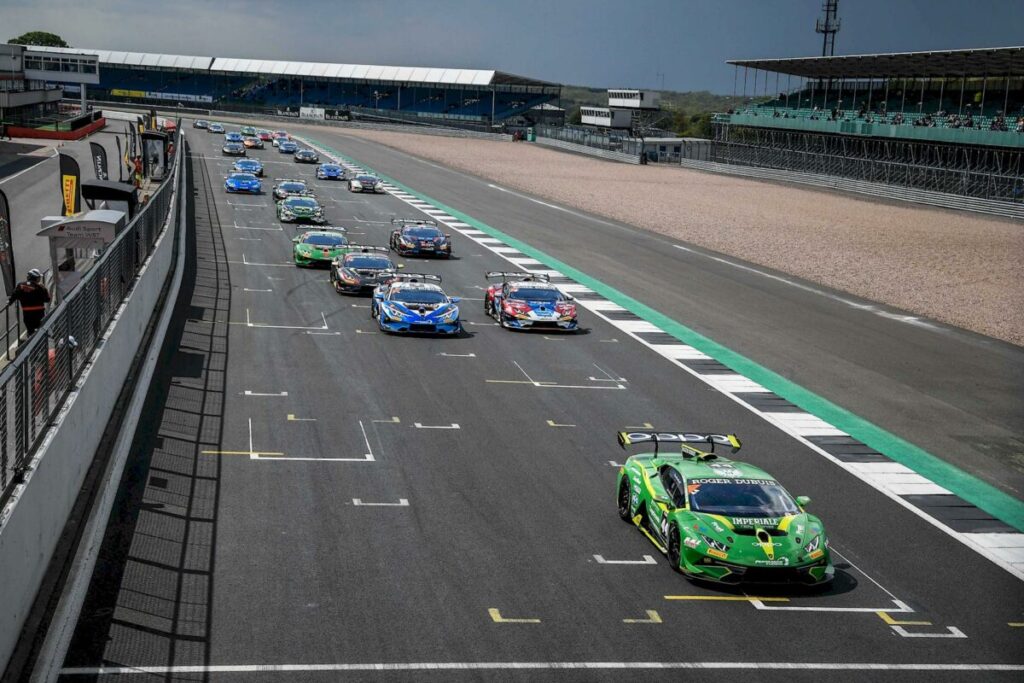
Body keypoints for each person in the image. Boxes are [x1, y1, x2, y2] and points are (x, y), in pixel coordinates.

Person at [9, 269, 51, 334]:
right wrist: (44, 288)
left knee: (30, 332)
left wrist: (9, 302)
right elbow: (47, 299)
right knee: (41, 332)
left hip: (27, 314)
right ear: (36, 278)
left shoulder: (21, 285)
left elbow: (14, 295)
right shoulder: (40, 287)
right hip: (39, 314)